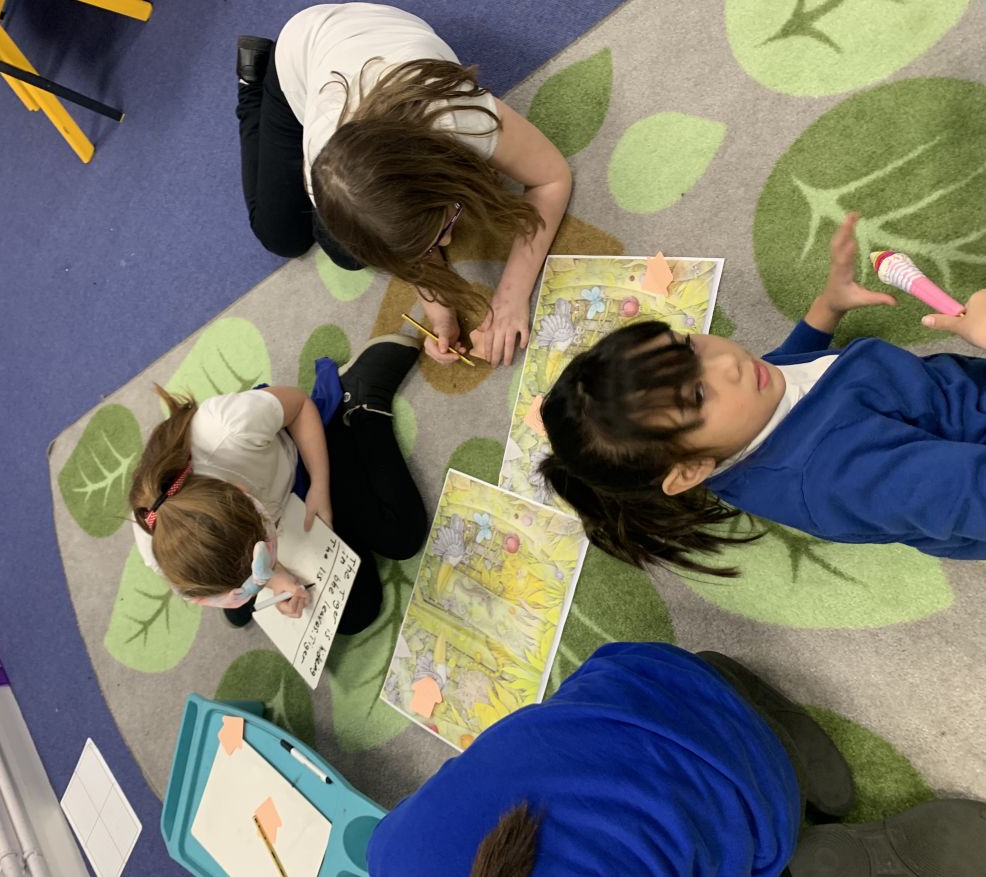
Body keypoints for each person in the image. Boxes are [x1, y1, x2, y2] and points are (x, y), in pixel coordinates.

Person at [538, 213, 986, 574]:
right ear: (690, 469)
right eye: (698, 394)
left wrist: (828, 306)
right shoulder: (842, 473)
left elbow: (791, 367)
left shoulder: (750, 408)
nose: (727, 362)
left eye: (688, 347)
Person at [366, 641, 986, 876]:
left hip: (753, 796)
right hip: (645, 673)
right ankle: (747, 712)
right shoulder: (383, 852)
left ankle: (850, 853)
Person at [235, 3, 573, 367]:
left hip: (332, 39)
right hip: (308, 72)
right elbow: (387, 232)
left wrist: (511, 297)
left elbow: (552, 178)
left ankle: (254, 89)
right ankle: (251, 86)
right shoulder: (322, 175)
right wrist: (438, 308)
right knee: (287, 239)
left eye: (446, 223)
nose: (448, 242)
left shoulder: (454, 113)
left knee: (338, 248)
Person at [128, 335, 427, 634]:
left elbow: (299, 406)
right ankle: (243, 581)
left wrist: (319, 483)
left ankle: (360, 402)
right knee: (354, 615)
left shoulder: (228, 427)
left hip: (295, 447)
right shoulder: (161, 551)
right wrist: (277, 581)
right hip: (273, 512)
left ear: (247, 496)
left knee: (402, 535)